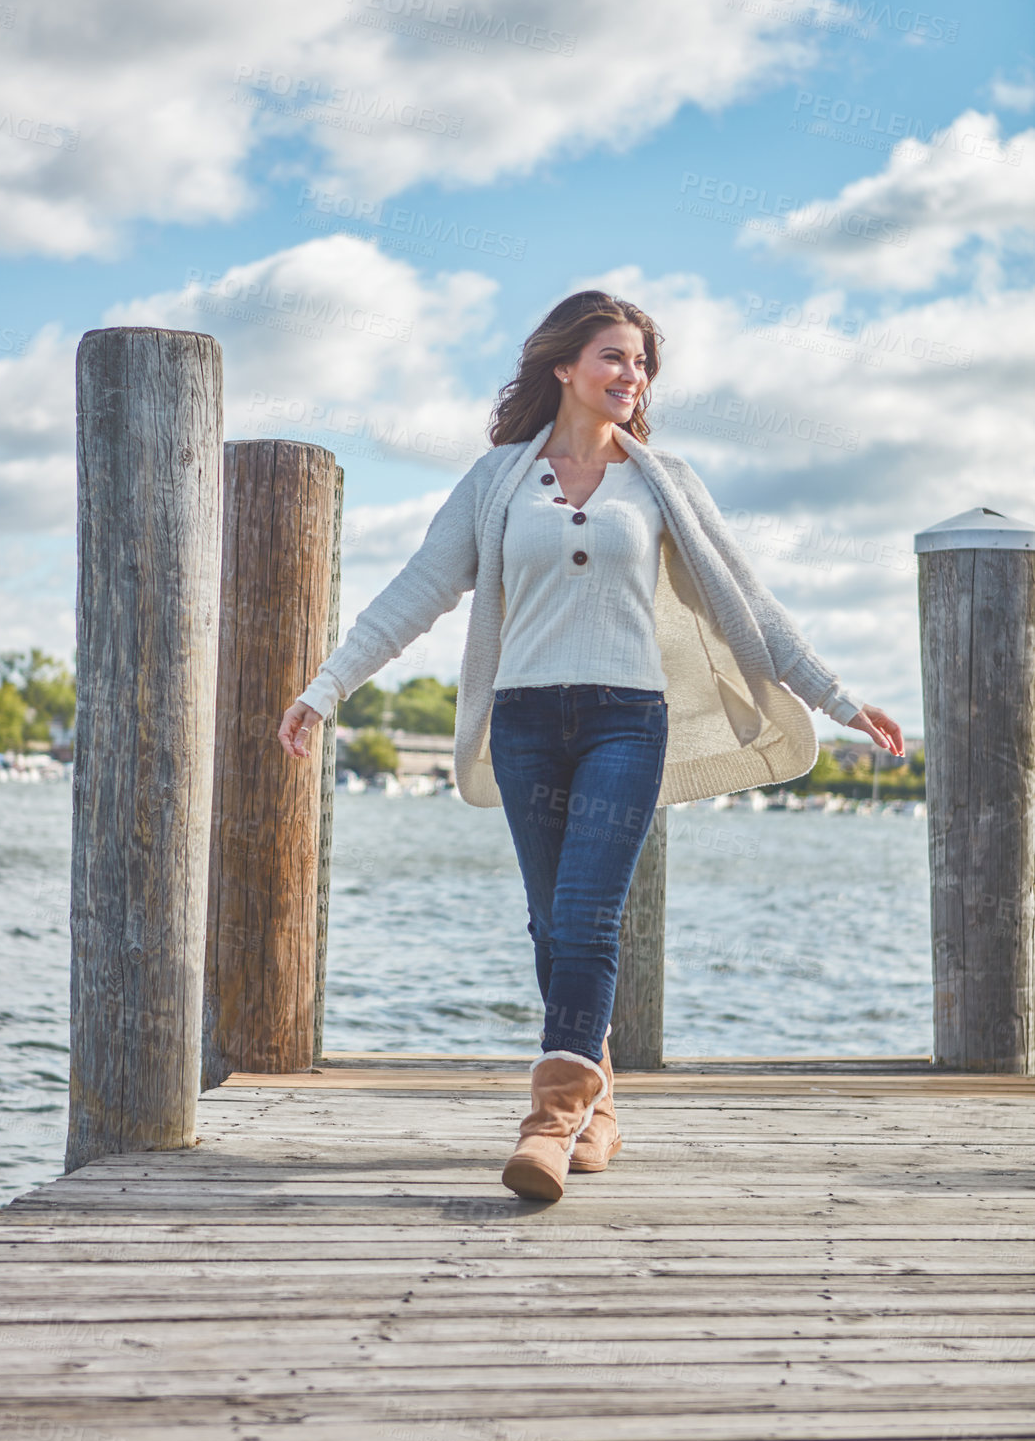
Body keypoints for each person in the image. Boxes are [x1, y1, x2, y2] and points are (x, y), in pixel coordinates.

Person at [279, 290, 904, 1203]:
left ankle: (551, 1117)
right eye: (615, 357)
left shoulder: (662, 482)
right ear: (564, 367)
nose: (633, 376)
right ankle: (599, 1104)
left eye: (643, 363)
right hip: (526, 722)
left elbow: (752, 602)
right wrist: (326, 687)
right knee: (549, 923)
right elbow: (416, 591)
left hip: (626, 720)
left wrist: (839, 697)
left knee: (587, 914)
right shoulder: (497, 481)